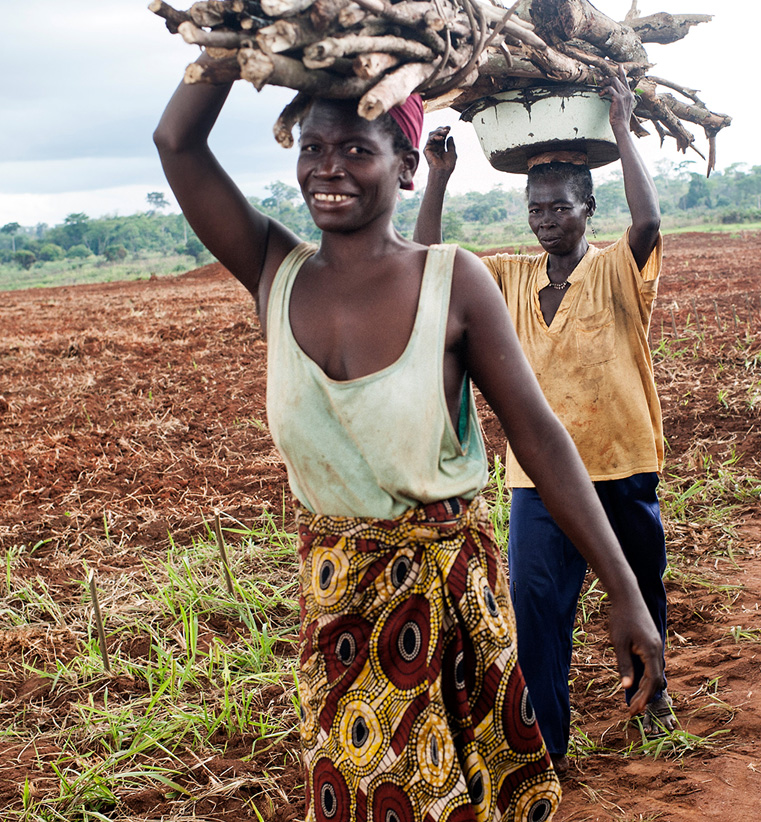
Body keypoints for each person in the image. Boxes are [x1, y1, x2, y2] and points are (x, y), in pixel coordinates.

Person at [154, 51, 664, 821]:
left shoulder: (453, 281)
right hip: (339, 613)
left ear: (403, 167)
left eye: (357, 149)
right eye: (314, 149)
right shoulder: (274, 272)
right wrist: (232, 44)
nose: (330, 168)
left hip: (451, 602)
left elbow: (541, 439)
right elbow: (177, 145)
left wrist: (626, 593)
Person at [414, 69, 674, 770]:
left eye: (558, 206)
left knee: (641, 592)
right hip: (539, 483)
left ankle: (652, 700)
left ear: (588, 207)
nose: (545, 217)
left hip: (623, 463)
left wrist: (620, 131)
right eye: (536, 208)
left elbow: (647, 223)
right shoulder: (511, 279)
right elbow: (427, 267)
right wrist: (437, 179)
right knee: (538, 620)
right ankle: (550, 751)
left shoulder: (619, 268)